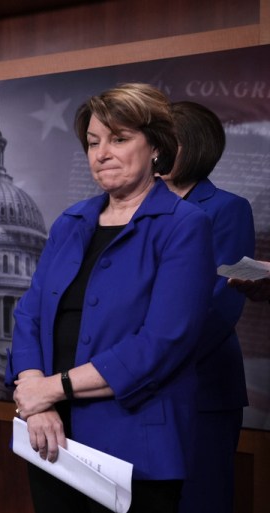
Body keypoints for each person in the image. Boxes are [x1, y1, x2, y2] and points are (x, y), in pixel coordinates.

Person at [5, 84, 215, 513]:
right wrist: (34, 396)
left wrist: (53, 388)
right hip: (50, 436)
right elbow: (30, 313)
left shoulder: (184, 225)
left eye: (119, 139)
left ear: (156, 146)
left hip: (134, 443)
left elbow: (163, 342)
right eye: (93, 142)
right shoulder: (70, 221)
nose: (102, 153)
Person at [160, 101, 254, 513]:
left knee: (200, 501)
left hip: (202, 387)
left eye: (164, 140)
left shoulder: (228, 208)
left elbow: (223, 302)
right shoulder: (136, 206)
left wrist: (154, 361)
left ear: (193, 145)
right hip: (137, 387)